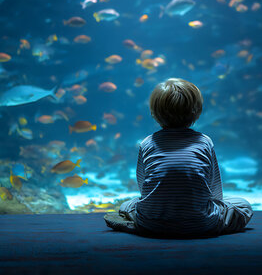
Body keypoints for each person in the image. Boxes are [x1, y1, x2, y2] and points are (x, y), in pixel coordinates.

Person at [104, 78, 253, 237]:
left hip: (151, 223)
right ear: (197, 112)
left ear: (154, 113)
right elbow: (215, 188)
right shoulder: (204, 142)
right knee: (243, 205)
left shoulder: (147, 143)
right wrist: (216, 204)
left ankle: (136, 224)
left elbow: (143, 186)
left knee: (128, 204)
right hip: (201, 224)